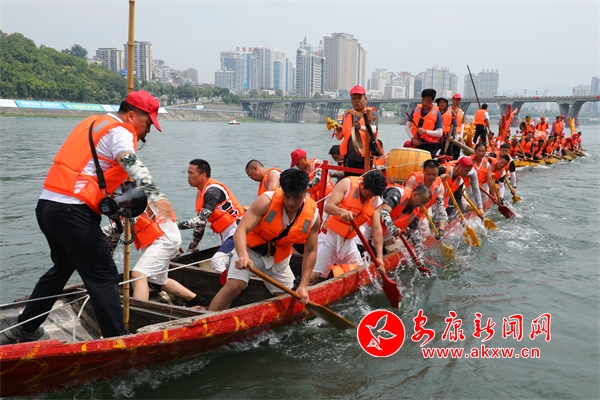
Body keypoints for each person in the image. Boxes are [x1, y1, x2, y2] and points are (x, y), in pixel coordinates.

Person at [1, 90, 174, 344]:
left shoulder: (93, 123)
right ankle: (117, 342)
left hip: (48, 206)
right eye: (147, 123)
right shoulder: (121, 131)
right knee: (104, 274)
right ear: (131, 116)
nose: (147, 131)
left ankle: (25, 328)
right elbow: (128, 159)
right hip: (72, 211)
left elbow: (95, 170)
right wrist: (156, 195)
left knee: (62, 268)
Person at [208, 169, 320, 311]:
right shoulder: (266, 201)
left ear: (305, 192)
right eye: (287, 196)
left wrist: (303, 285)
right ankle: (207, 320)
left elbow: (310, 251)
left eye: (296, 197)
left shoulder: (313, 215)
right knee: (234, 286)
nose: (291, 202)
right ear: (282, 190)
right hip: (252, 252)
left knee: (292, 301)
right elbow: (241, 230)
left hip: (279, 259)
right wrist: (243, 255)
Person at [101, 203, 206, 307]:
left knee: (138, 275)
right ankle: (200, 300)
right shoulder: (112, 200)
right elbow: (117, 232)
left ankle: (140, 312)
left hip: (165, 239)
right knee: (157, 282)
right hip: (153, 241)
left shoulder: (141, 195)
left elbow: (134, 218)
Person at [309, 170, 387, 285]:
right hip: (329, 239)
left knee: (361, 274)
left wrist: (379, 257)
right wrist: (342, 212)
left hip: (349, 242)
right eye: (368, 194)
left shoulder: (376, 200)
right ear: (362, 184)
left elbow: (376, 229)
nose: (369, 198)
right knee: (313, 277)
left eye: (372, 196)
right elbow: (329, 207)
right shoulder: (347, 184)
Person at [177, 159, 244, 273]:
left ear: (203, 175)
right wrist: (192, 249)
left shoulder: (212, 191)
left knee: (217, 262)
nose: (188, 176)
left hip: (238, 232)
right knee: (226, 262)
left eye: (191, 173)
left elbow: (200, 220)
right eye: (188, 173)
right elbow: (201, 225)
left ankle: (230, 283)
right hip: (228, 234)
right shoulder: (201, 193)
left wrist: (174, 226)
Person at [333, 85, 382, 175]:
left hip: (365, 159)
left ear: (365, 99)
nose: (357, 101)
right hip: (349, 158)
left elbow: (373, 130)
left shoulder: (371, 113)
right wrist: (338, 131)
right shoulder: (347, 114)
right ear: (351, 100)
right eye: (354, 98)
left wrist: (361, 127)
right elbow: (340, 137)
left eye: (359, 98)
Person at [380, 184, 432, 265]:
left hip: (384, 230)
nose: (421, 205)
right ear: (415, 194)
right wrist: (392, 228)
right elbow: (383, 211)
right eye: (422, 202)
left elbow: (415, 236)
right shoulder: (398, 194)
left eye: (424, 203)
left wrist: (419, 259)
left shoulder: (414, 210)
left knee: (394, 245)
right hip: (370, 224)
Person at [405, 159, 448, 239]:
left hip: (422, 212)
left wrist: (441, 229)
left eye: (434, 174)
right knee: (408, 233)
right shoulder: (414, 179)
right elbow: (405, 199)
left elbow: (441, 209)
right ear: (423, 171)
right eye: (428, 174)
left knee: (426, 235)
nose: (431, 177)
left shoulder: (439, 186)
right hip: (408, 211)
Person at [438, 156, 484, 221]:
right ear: (459, 167)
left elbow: (458, 200)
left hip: (442, 205)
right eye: (466, 171)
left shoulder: (460, 181)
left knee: (455, 213)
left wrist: (461, 215)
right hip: (430, 203)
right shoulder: (442, 170)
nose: (467, 174)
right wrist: (439, 179)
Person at [405, 89, 443, 158]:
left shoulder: (437, 113)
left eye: (427, 101)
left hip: (430, 145)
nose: (424, 103)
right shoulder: (415, 110)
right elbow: (407, 127)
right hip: (416, 143)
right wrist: (413, 139)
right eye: (423, 100)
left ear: (432, 100)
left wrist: (425, 131)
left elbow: (439, 133)